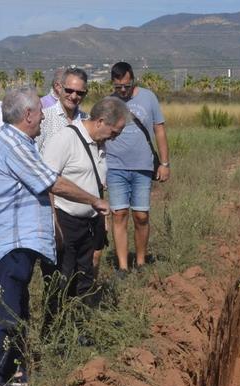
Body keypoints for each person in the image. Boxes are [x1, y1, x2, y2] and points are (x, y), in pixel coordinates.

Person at [0, 88, 110, 386]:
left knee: (18, 308)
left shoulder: (19, 142)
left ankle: (13, 370)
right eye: (39, 111)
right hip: (12, 241)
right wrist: (94, 200)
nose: (42, 117)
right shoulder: (12, 143)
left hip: (20, 241)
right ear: (28, 115)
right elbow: (52, 181)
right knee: (4, 309)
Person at [41, 97, 127, 330]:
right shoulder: (65, 139)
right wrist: (53, 223)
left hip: (89, 223)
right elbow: (49, 182)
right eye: (115, 131)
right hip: (65, 221)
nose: (115, 137)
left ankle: (77, 329)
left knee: (85, 279)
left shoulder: (100, 143)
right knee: (61, 281)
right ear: (100, 121)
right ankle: (53, 334)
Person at [105, 61, 171, 275]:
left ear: (133, 79)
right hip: (115, 166)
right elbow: (99, 134)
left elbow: (159, 130)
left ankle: (141, 262)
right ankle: (123, 266)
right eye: (118, 87)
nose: (122, 90)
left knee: (141, 216)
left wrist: (164, 163)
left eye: (126, 85)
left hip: (142, 167)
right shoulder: (109, 102)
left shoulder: (148, 97)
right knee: (119, 214)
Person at [36, 67, 88, 151]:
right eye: (69, 90)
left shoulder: (87, 120)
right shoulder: (44, 118)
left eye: (79, 93)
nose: (73, 96)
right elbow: (34, 153)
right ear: (60, 88)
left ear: (85, 94)